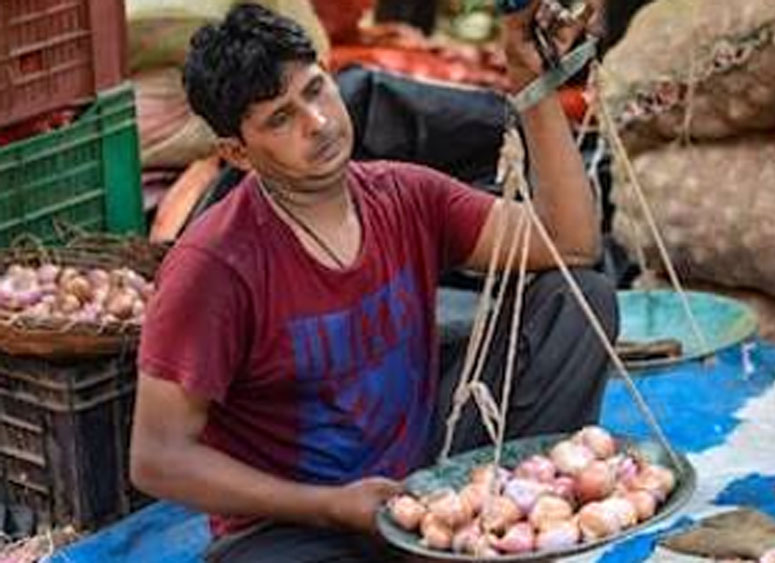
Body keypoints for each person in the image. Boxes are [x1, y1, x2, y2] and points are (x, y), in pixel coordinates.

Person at [129, 2, 617, 561]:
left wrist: (531, 82)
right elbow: (157, 457)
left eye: (315, 90)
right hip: (301, 525)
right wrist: (329, 505)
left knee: (577, 298)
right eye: (280, 119)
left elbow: (571, 243)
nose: (317, 123)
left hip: (432, 482)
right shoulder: (212, 266)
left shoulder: (403, 194)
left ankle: (494, 517)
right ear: (237, 153)